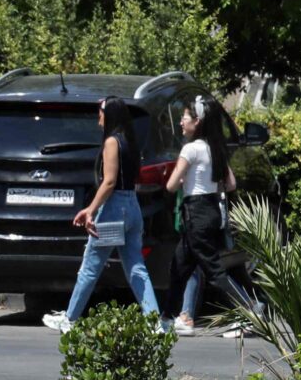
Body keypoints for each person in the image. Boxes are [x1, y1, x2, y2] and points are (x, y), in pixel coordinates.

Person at [42, 97, 164, 331]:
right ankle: (154, 322)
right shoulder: (129, 141)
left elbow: (109, 182)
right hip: (133, 207)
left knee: (90, 267)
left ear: (109, 114)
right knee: (137, 268)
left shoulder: (111, 142)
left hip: (114, 209)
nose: (98, 116)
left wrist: (90, 210)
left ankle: (70, 318)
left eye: (100, 111)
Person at [162, 95, 240, 336]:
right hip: (210, 211)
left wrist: (185, 179)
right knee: (179, 267)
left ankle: (248, 313)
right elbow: (231, 184)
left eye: (184, 119)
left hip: (195, 212)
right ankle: (167, 319)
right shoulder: (213, 148)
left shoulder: (191, 149)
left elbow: (171, 186)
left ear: (198, 121)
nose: (181, 123)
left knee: (214, 271)